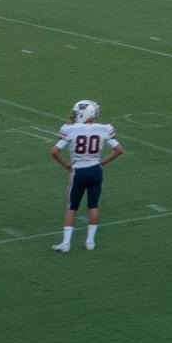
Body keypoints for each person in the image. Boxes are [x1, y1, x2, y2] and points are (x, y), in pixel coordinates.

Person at [49, 99, 121, 253]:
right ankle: (90, 242)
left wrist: (66, 165)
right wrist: (103, 162)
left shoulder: (71, 130)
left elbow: (54, 151)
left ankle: (66, 243)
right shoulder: (103, 129)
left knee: (71, 207)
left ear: (82, 113)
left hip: (79, 171)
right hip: (96, 170)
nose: (74, 115)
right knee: (93, 205)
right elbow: (119, 149)